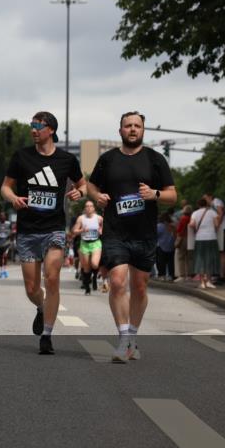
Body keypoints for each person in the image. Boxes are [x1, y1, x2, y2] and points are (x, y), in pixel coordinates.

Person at [87, 111, 177, 363]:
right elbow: (91, 185)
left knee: (139, 286)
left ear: (143, 130)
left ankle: (133, 336)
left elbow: (172, 195)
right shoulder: (108, 160)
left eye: (137, 126)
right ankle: (124, 338)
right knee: (117, 282)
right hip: (116, 232)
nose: (133, 129)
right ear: (120, 131)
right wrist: (97, 196)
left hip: (144, 233)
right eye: (128, 126)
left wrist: (155, 194)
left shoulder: (155, 159)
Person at [2, 112, 86, 355]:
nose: (33, 129)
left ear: (51, 130)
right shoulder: (22, 157)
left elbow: (82, 184)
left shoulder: (67, 160)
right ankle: (41, 308)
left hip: (54, 229)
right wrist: (13, 198)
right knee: (31, 287)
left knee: (52, 278)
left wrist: (79, 193)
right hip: (28, 231)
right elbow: (5, 186)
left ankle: (47, 336)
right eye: (32, 125)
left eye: (38, 125)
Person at [71, 200, 103, 294]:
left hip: (95, 243)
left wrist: (101, 230)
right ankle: (87, 287)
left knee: (95, 264)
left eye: (90, 206)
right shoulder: (81, 218)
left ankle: (94, 278)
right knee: (86, 268)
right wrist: (82, 230)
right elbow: (74, 230)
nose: (89, 208)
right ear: (85, 208)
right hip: (84, 244)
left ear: (94, 208)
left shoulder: (99, 218)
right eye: (87, 206)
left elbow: (103, 228)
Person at [190, 197, 219, 289]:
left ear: (198, 205)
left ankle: (202, 282)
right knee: (210, 259)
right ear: (206, 204)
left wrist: (196, 230)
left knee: (200, 260)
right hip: (211, 237)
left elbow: (192, 224)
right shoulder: (212, 212)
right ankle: (209, 281)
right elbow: (217, 224)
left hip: (199, 238)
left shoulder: (195, 213)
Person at [155, 212, 176, 280]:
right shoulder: (172, 226)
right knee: (171, 262)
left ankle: (162, 275)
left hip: (161, 246)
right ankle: (171, 275)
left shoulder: (159, 226)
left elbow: (155, 235)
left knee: (161, 261)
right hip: (171, 246)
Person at [175, 204, 193, 279]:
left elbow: (179, 229)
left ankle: (182, 275)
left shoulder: (183, 218)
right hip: (191, 239)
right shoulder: (192, 218)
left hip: (183, 238)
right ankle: (189, 274)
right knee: (189, 258)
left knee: (181, 257)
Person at [0, 211, 14, 279]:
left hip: (6, 243)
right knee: (0, 257)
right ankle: (1, 271)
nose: (2, 217)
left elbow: (12, 231)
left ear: (5, 217)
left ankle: (4, 270)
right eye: (1, 216)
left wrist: (11, 239)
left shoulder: (8, 223)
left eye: (3, 216)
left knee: (5, 256)